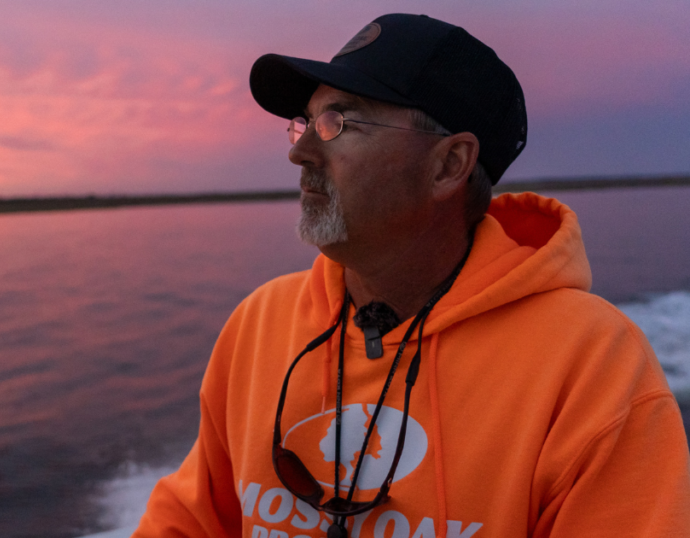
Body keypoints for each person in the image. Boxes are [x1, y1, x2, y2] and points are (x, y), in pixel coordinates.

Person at [132, 13, 690, 538]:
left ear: (449, 165)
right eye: (303, 122)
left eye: (337, 122)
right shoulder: (260, 324)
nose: (299, 151)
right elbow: (190, 521)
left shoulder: (591, 365)